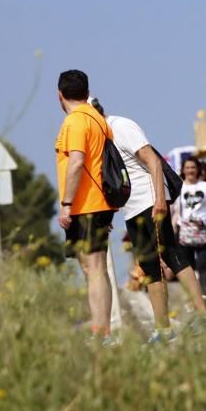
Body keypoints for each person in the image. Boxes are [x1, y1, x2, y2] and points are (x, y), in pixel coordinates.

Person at [95, 99, 206, 340]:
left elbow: (153, 161)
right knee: (149, 267)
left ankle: (203, 317)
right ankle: (162, 329)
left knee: (172, 254)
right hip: (131, 208)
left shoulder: (121, 127)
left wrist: (160, 200)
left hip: (150, 199)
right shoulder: (99, 139)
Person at [54, 70, 116, 342]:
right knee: (97, 268)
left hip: (84, 204)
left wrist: (66, 204)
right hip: (100, 202)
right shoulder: (98, 119)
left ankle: (100, 330)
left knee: (92, 268)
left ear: (60, 95)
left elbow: (77, 162)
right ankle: (104, 328)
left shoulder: (75, 121)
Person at [172, 156, 206, 305]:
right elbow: (176, 212)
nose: (190, 170)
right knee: (188, 267)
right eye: (187, 167)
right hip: (184, 230)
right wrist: (172, 230)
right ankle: (192, 297)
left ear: (198, 169)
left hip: (203, 228)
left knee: (203, 264)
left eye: (193, 167)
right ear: (183, 170)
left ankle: (204, 295)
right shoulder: (179, 187)